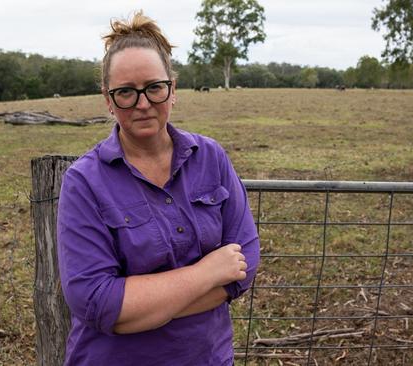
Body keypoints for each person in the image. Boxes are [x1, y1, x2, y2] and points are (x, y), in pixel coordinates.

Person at [56, 11, 260, 366]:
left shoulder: (210, 157)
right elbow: (96, 302)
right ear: (108, 99)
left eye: (154, 88)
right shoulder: (84, 182)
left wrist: (139, 309)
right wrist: (206, 273)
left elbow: (245, 265)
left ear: (173, 89)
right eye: (126, 93)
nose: (143, 104)